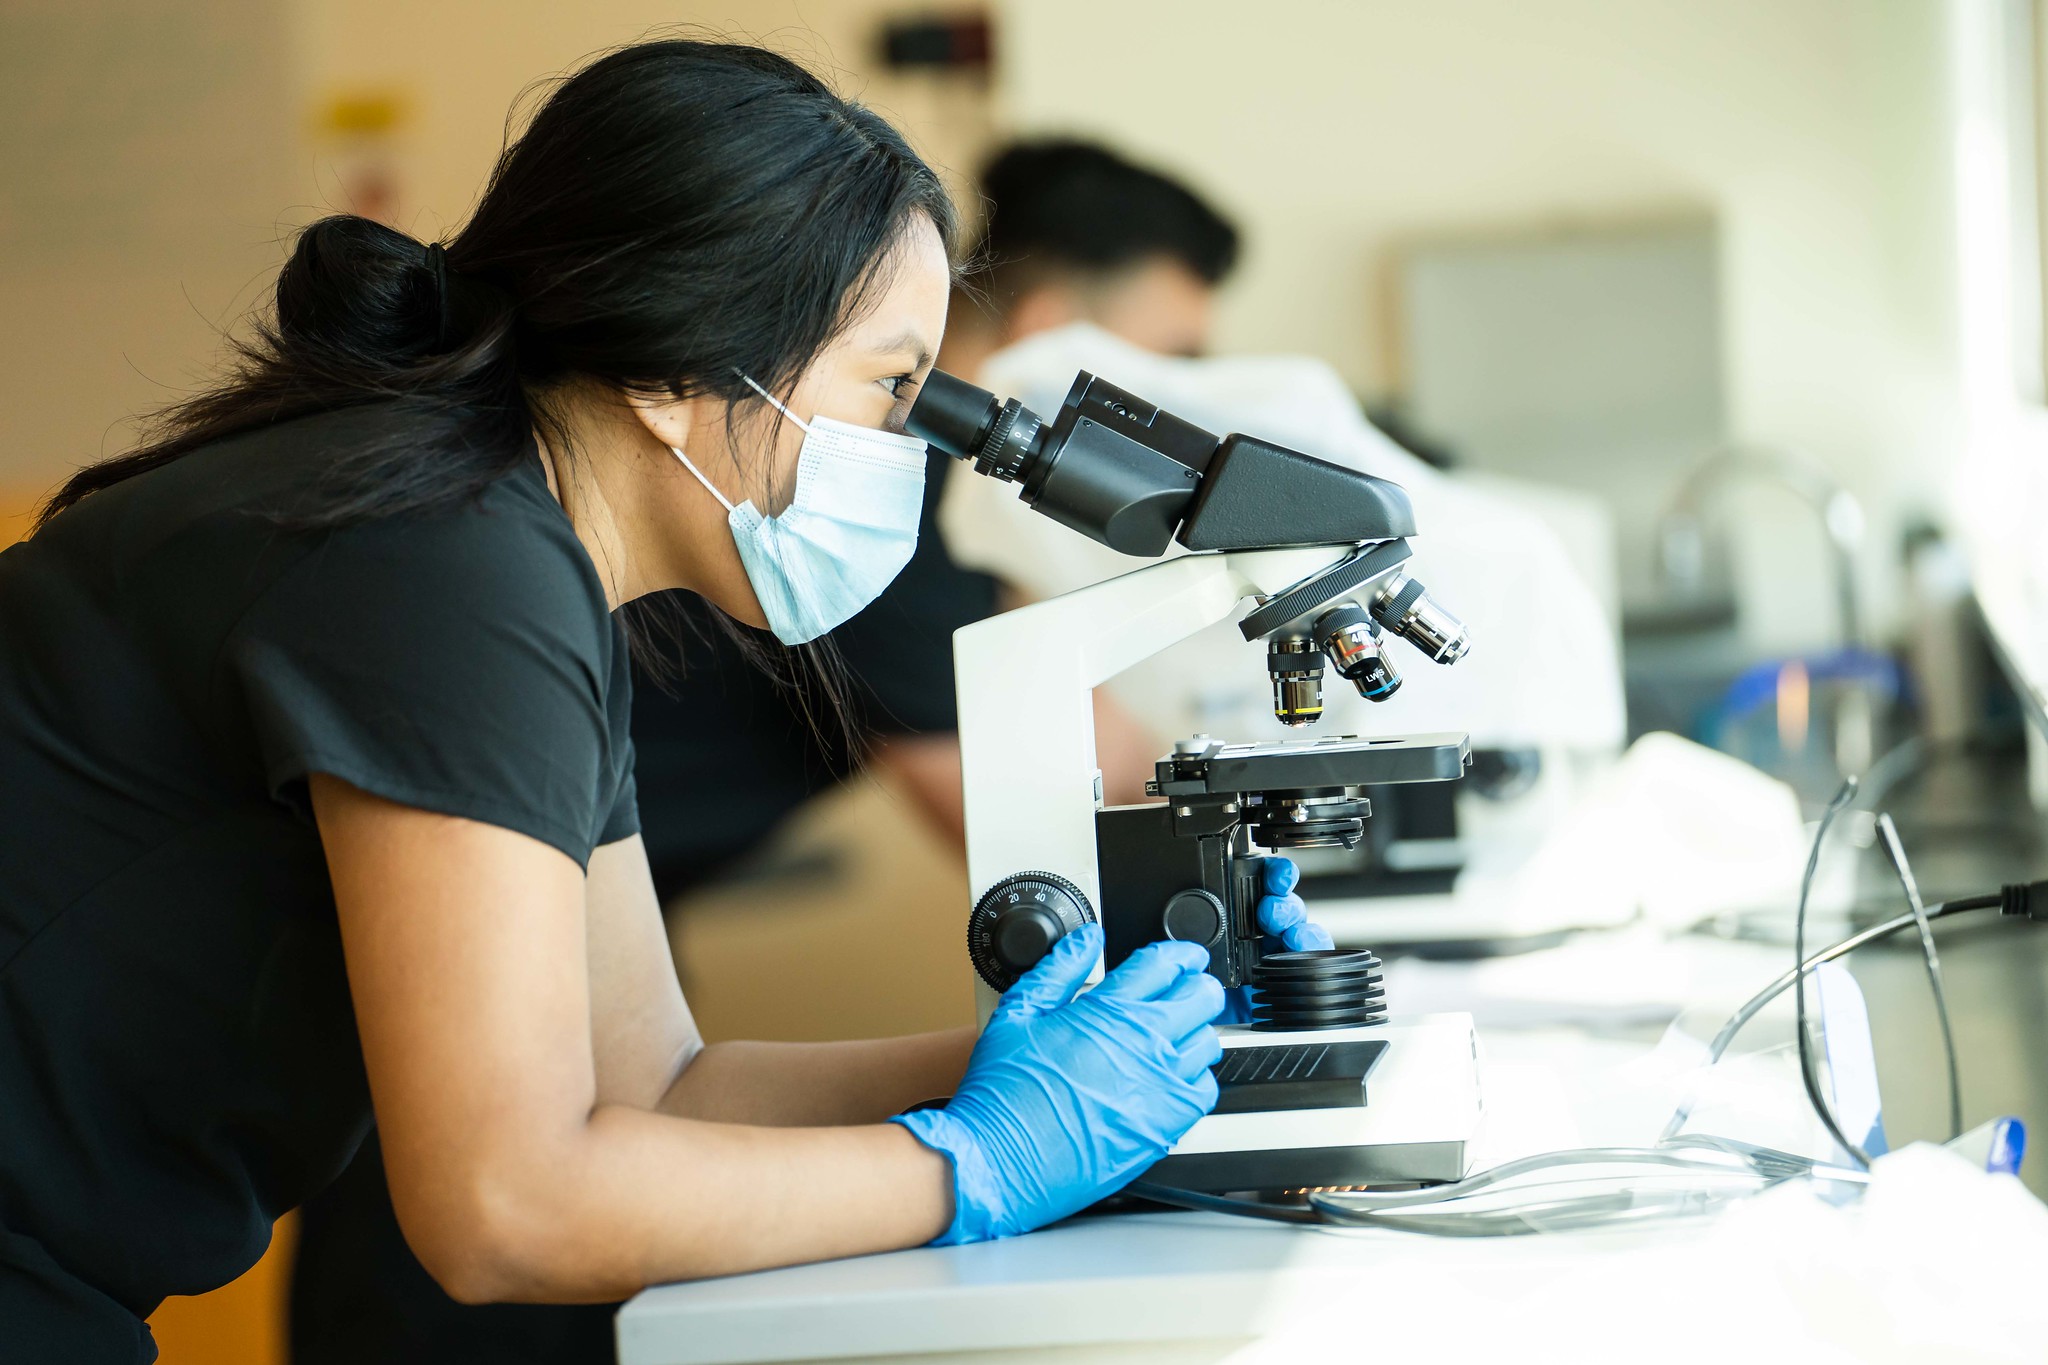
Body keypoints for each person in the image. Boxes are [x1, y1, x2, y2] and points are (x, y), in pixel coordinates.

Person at [0, 42, 1271, 1362]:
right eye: (891, 390)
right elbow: (505, 1207)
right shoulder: (443, 559)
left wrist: (1064, 1065)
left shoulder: (518, 563)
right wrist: (981, 1161)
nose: (903, 453)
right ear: (678, 377)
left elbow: (659, 1083)